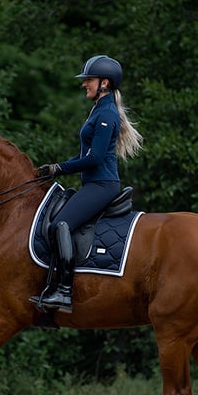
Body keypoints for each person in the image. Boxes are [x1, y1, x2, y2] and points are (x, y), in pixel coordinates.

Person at [30, 55, 144, 313]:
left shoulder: (107, 114)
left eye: (89, 79)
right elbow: (85, 155)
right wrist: (54, 168)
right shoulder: (99, 110)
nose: (84, 84)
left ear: (105, 83)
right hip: (94, 183)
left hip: (102, 185)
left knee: (60, 224)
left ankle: (63, 291)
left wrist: (60, 168)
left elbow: (94, 159)